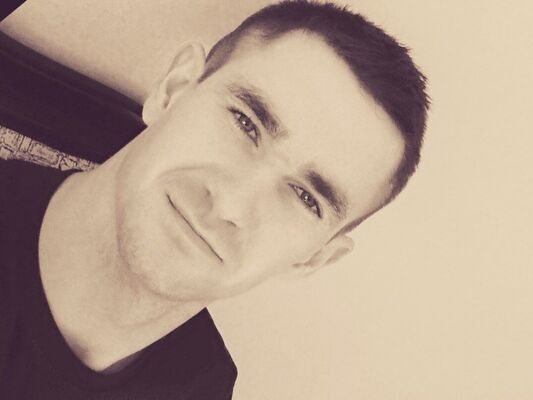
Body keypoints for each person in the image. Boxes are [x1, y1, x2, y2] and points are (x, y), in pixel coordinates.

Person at [0, 1, 429, 398]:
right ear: (173, 90)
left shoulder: (204, 386)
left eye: (305, 197)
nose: (231, 204)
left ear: (314, 258)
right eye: (245, 123)